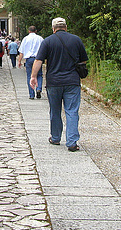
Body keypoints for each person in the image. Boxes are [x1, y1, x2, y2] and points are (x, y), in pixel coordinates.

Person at [30, 17, 88, 152]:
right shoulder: (76, 40)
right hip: (72, 82)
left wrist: (33, 77)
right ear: (66, 27)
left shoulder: (48, 41)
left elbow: (38, 60)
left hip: (54, 82)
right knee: (72, 111)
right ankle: (72, 142)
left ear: (53, 28)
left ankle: (56, 137)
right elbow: (83, 61)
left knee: (55, 110)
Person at [17, 26, 44, 99]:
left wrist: (19, 61)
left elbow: (21, 52)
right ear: (36, 31)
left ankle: (31, 94)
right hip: (38, 59)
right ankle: (39, 89)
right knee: (39, 75)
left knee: (30, 76)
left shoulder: (25, 39)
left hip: (29, 59)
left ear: (29, 31)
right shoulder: (40, 38)